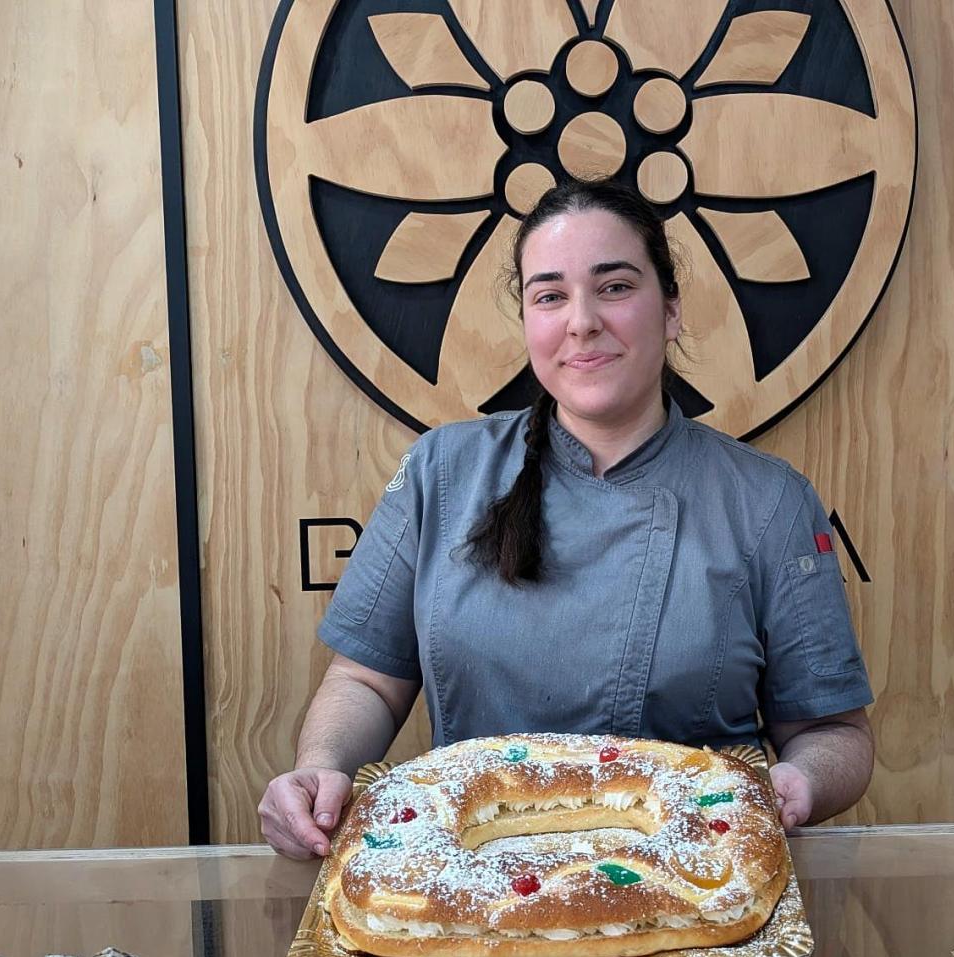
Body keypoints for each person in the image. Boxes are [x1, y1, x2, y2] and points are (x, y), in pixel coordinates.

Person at [259, 179, 874, 860]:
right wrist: (323, 766)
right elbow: (365, 681)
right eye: (550, 295)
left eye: (614, 287)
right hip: (474, 892)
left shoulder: (769, 502)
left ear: (670, 309)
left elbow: (837, 735)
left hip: (689, 889)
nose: (581, 320)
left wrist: (801, 781)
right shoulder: (442, 473)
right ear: (527, 320)